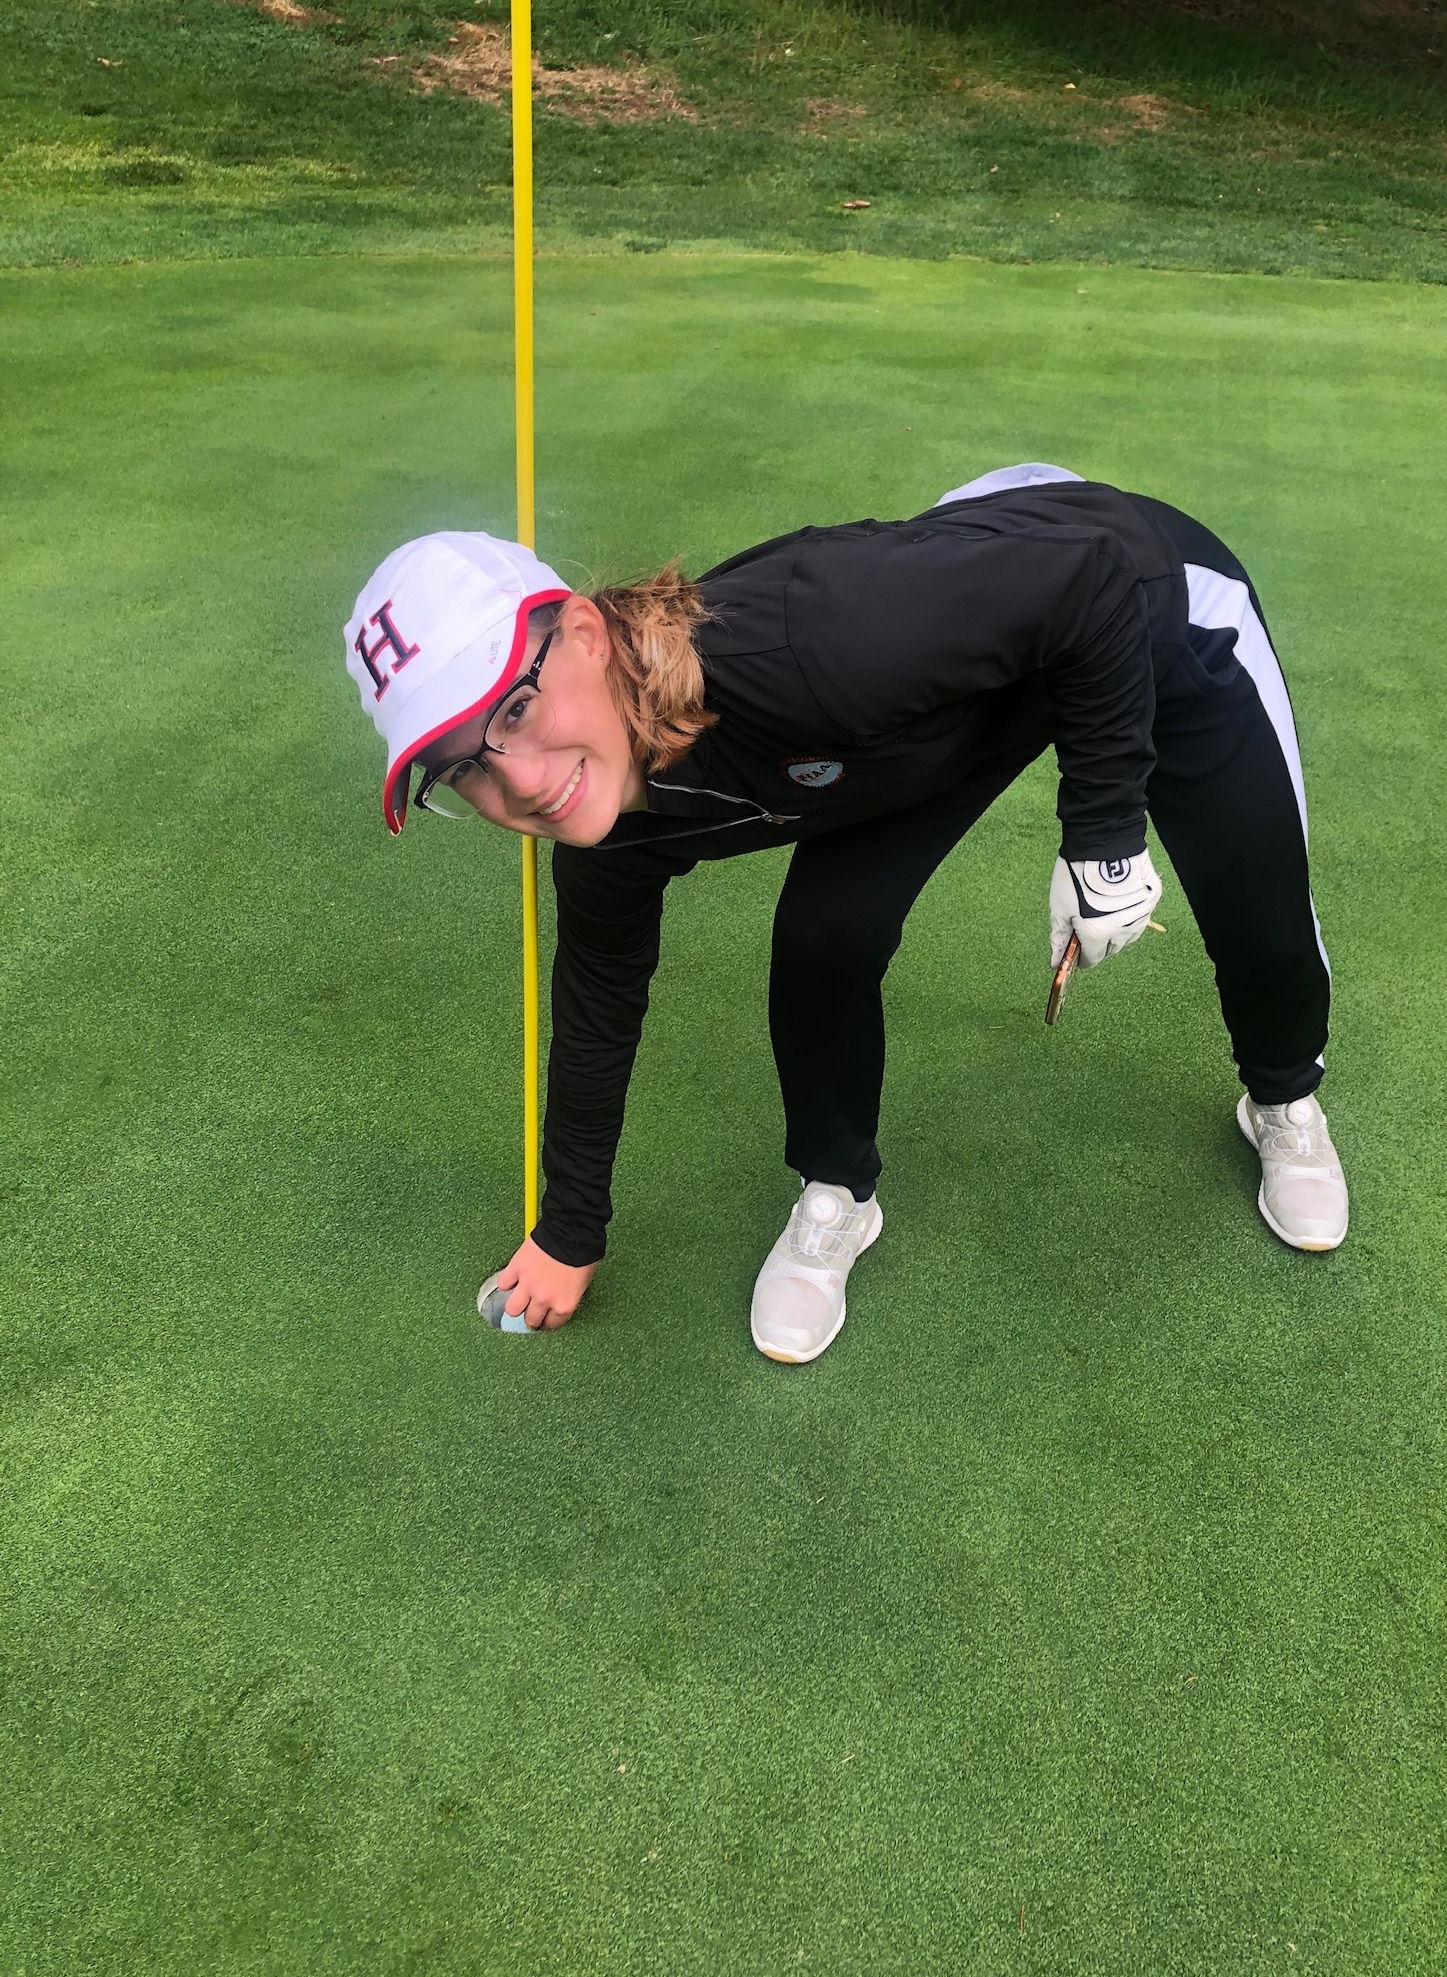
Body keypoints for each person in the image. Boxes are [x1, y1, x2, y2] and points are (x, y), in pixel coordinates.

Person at [343, 464, 1348, 1364]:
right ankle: (838, 1194)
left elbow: (1092, 577)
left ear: (586, 634)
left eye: (514, 707)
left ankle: (1281, 1096)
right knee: (825, 938)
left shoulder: (812, 639)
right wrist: (568, 1230)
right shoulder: (600, 822)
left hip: (1142, 604)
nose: (514, 782)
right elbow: (598, 1002)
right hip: (942, 711)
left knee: (1253, 896)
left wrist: (1102, 832)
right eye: (462, 767)